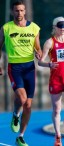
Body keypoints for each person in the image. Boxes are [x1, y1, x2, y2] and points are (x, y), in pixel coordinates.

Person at [0, 1, 42, 146]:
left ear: (25, 12)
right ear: (12, 12)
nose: (19, 13)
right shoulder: (6, 28)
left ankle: (21, 136)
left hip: (30, 68)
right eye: (16, 11)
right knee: (22, 98)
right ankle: (16, 114)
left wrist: (39, 52)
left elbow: (38, 47)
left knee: (29, 105)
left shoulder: (34, 28)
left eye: (22, 10)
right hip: (14, 67)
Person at [38, 16, 64, 146]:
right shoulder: (49, 43)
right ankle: (58, 137)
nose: (63, 28)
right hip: (56, 79)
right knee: (56, 110)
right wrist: (49, 65)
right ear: (54, 27)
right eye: (60, 26)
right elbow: (40, 61)